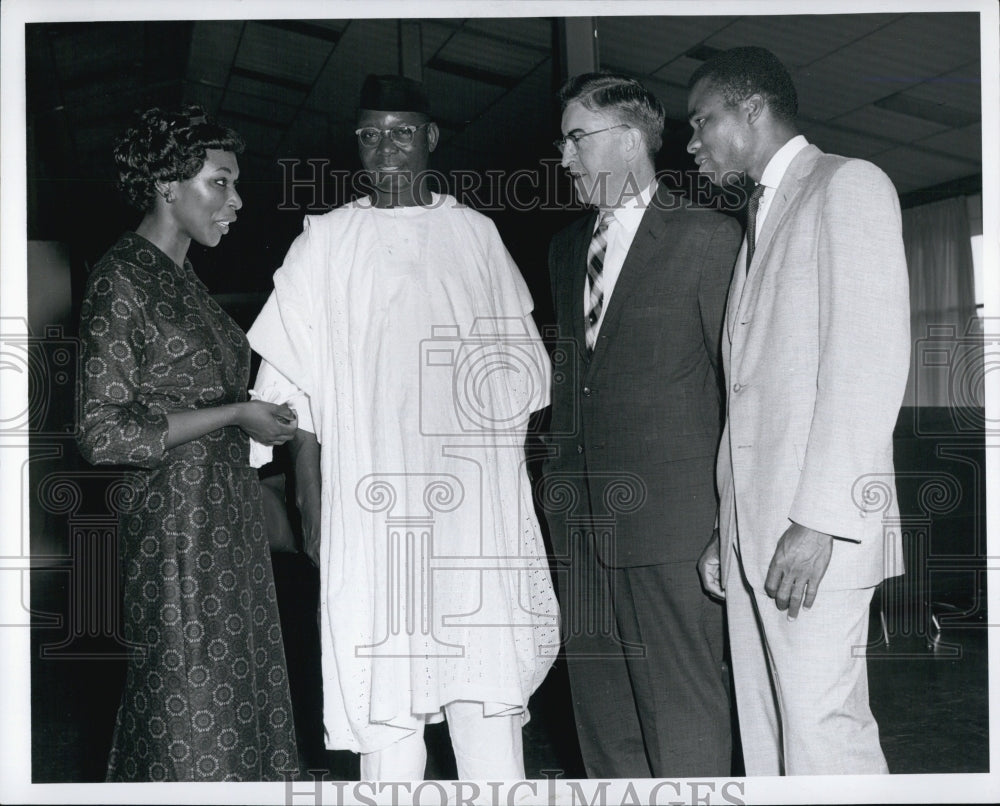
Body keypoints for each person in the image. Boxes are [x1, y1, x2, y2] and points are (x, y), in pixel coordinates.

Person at [246, 74, 558, 781]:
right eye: (369, 134)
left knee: (485, 692)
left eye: (400, 133)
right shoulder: (325, 243)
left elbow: (521, 384)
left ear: (431, 138)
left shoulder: (476, 235)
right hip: (369, 515)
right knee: (385, 704)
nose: (382, 148)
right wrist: (312, 509)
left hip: (472, 515)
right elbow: (294, 405)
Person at [687, 46, 910, 775]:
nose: (691, 143)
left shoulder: (849, 186)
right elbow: (749, 394)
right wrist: (730, 527)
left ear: (752, 110)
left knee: (823, 736)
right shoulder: (756, 218)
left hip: (817, 533)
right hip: (759, 532)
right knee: (769, 739)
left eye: (702, 121)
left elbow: (866, 367)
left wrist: (819, 521)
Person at [76, 106, 300, 781]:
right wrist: (236, 412)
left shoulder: (178, 277)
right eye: (219, 182)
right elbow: (102, 431)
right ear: (166, 185)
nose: (236, 201)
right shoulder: (122, 279)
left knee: (234, 707)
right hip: (175, 535)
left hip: (223, 527)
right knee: (189, 706)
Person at [539, 72, 742, 778]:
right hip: (580, 529)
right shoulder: (566, 250)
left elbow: (738, 390)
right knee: (603, 725)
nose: (563, 156)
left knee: (682, 720)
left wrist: (731, 519)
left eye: (575, 137)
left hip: (674, 530)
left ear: (628, 140)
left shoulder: (710, 239)